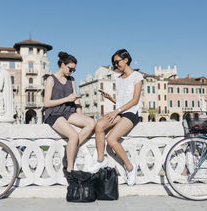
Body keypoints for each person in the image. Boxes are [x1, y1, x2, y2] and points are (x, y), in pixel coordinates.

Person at [88, 49, 143, 186]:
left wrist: (116, 111)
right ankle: (101, 160)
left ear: (126, 60)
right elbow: (122, 101)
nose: (116, 64)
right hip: (121, 112)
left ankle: (130, 167)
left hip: (133, 113)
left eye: (117, 61)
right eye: (114, 63)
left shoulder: (137, 76)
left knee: (111, 139)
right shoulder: (118, 79)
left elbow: (135, 100)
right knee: (99, 125)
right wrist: (112, 99)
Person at [44, 52, 96, 172]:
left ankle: (69, 150)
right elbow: (46, 103)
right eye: (70, 68)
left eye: (74, 70)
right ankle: (69, 169)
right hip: (54, 113)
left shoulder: (71, 79)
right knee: (73, 135)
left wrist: (81, 114)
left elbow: (75, 99)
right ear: (62, 64)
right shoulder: (51, 79)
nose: (72, 72)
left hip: (68, 112)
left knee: (92, 123)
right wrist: (67, 99)